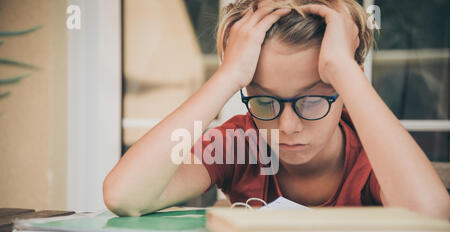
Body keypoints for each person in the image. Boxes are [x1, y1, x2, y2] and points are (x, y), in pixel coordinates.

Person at [103, 0, 450, 219]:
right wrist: (227, 77)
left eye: (312, 100)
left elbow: (431, 217)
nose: (287, 126)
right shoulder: (240, 144)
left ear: (346, 88)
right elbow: (124, 195)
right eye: (265, 100)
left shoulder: (376, 154)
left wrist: (346, 71)